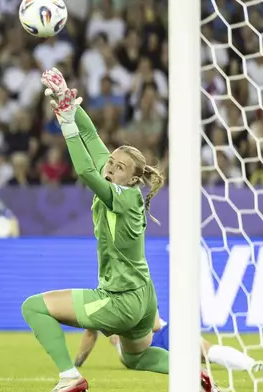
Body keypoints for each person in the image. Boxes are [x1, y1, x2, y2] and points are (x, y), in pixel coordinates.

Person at [20, 68, 214, 392]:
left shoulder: (122, 196)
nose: (109, 168)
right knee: (135, 359)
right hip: (143, 297)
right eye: (111, 162)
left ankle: (70, 377)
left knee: (34, 307)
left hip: (121, 300)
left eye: (118, 167)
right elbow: (93, 137)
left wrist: (66, 124)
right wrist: (69, 100)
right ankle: (191, 372)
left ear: (134, 180)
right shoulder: (115, 177)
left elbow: (84, 170)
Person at [74, 317, 263, 373]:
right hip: (140, 350)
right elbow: (90, 331)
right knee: (203, 353)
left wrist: (124, 328)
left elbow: (155, 324)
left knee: (205, 352)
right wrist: (77, 364)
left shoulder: (137, 290)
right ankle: (250, 365)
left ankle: (251, 364)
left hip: (162, 335)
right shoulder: (107, 304)